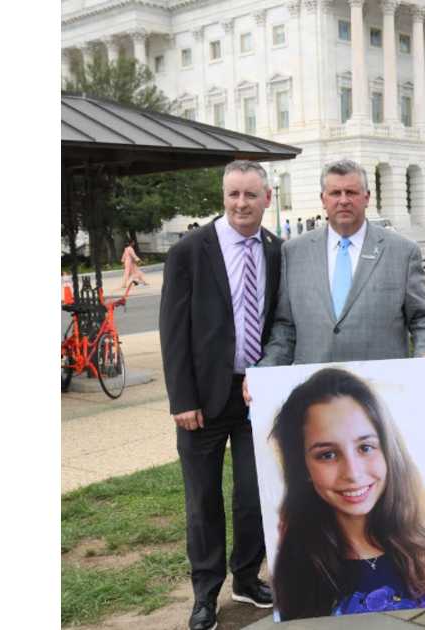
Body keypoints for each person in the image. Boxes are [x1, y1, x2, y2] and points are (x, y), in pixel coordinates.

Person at [160, 160, 280, 630]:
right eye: (233, 194)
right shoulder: (191, 250)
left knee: (254, 495)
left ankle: (246, 578)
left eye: (251, 195)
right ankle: (205, 595)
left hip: (256, 396)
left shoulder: (275, 250)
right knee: (203, 501)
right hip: (202, 400)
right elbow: (173, 331)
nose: (241, 204)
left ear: (267, 199)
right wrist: (181, 399)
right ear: (223, 196)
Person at [268, 367, 425, 620]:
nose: (353, 472)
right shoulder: (294, 570)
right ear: (302, 466)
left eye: (366, 447)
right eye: (327, 454)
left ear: (388, 452)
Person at [258, 159, 425, 368]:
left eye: (351, 192)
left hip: (381, 388)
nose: (343, 200)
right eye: (335, 193)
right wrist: (263, 373)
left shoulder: (403, 252)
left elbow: (422, 320)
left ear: (367, 197)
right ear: (323, 199)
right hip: (315, 390)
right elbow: (285, 328)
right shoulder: (293, 252)